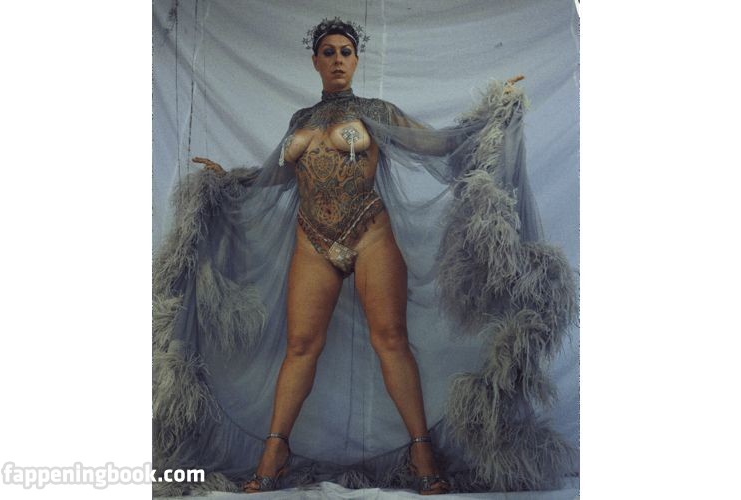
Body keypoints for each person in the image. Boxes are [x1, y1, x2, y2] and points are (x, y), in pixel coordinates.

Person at [153, 15, 576, 498]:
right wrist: (231, 180)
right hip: (312, 240)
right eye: (328, 52)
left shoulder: (376, 111)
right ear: (315, 61)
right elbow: (280, 174)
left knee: (391, 340)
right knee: (300, 347)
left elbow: (435, 145)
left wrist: (492, 112)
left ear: (355, 60)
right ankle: (274, 451)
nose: (337, 60)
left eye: (345, 52)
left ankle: (422, 453)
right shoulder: (300, 121)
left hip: (369, 233)